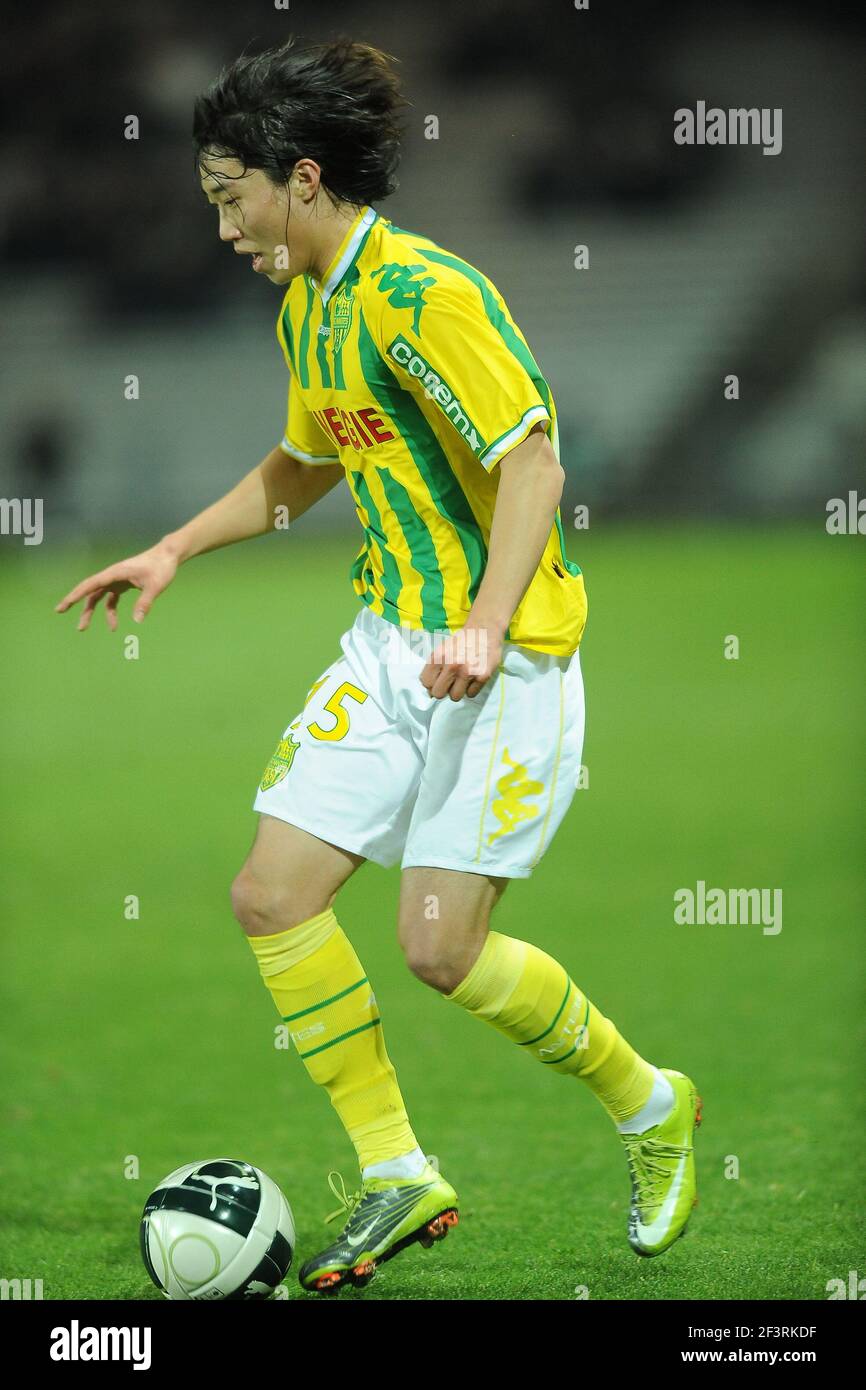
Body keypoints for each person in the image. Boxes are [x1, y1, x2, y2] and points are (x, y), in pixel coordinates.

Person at [56, 35, 701, 1296]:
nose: (225, 226)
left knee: (436, 951)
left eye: (229, 196)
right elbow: (308, 462)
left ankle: (650, 1103)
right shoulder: (309, 306)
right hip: (389, 646)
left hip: (504, 660)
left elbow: (532, 465)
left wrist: (487, 621)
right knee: (270, 892)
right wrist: (177, 545)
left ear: (300, 179)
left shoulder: (427, 296)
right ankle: (399, 1171)